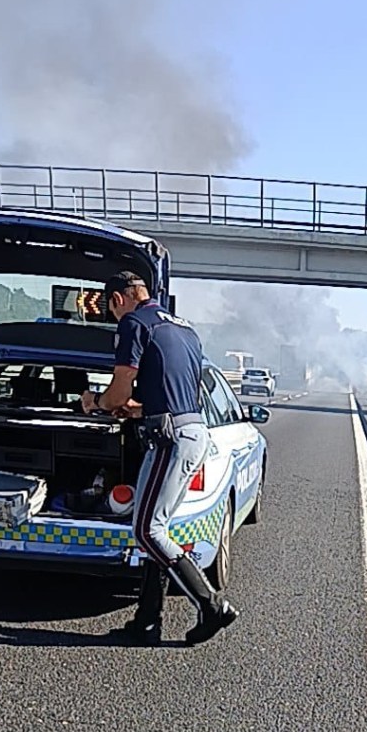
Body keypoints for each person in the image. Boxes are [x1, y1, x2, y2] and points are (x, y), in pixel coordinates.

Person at [80, 270, 239, 647]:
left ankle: (212, 605)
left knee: (147, 531)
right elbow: (171, 394)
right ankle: (147, 622)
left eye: (110, 308)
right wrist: (134, 410)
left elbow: (118, 392)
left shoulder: (133, 323)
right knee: (158, 529)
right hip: (190, 430)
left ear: (117, 299)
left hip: (169, 440)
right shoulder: (184, 329)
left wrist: (96, 404)